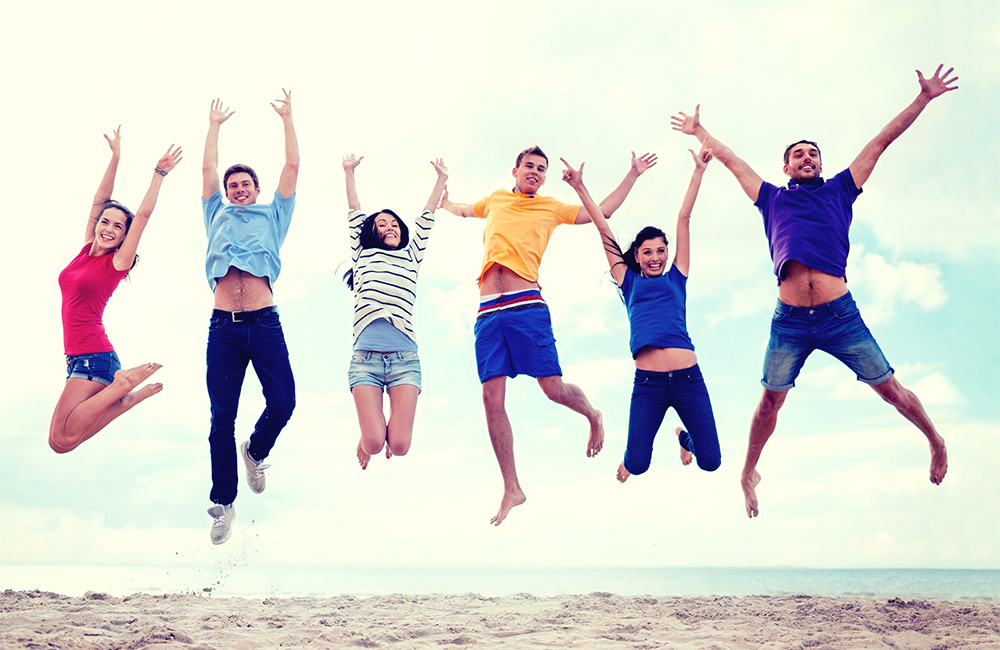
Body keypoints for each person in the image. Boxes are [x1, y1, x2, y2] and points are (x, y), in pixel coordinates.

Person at [671, 64, 957, 518]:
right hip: (790, 323)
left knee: (890, 390)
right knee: (770, 400)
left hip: (840, 317)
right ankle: (748, 474)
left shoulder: (841, 189)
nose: (807, 159)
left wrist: (922, 99)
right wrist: (700, 129)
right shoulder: (771, 198)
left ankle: (936, 442)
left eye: (813, 154)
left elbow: (881, 141)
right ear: (786, 166)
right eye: (798, 155)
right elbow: (731, 160)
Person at [440, 146, 656, 525]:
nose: (536, 173)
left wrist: (633, 175)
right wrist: (443, 203)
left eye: (542, 169)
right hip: (488, 311)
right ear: (515, 170)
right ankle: (512, 488)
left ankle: (592, 414)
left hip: (527, 305)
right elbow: (462, 210)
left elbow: (601, 212)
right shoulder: (494, 200)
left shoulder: (551, 207)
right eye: (530, 167)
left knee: (553, 389)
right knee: (491, 398)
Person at [562, 145, 722, 484]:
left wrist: (698, 172)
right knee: (637, 464)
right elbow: (603, 228)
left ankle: (683, 437)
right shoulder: (628, 281)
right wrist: (579, 186)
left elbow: (683, 218)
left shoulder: (677, 277)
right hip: (648, 385)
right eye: (647, 252)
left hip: (689, 379)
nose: (655, 257)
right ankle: (635, 458)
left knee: (711, 461)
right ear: (636, 255)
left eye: (661, 251)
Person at [201, 91, 299, 544]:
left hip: (264, 322)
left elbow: (292, 168)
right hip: (223, 328)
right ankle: (222, 505)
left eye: (245, 185)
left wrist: (287, 118)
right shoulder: (215, 211)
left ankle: (256, 450)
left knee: (284, 402)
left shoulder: (274, 213)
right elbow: (205, 171)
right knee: (221, 417)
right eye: (232, 185)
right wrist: (215, 127)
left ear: (256, 190)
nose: (238, 190)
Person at [50, 128, 181, 454]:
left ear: (124, 236)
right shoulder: (84, 252)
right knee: (62, 441)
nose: (108, 229)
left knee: (62, 441)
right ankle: (127, 398)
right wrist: (116, 157)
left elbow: (144, 216)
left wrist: (159, 173)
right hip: (81, 359)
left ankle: (123, 384)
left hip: (94, 358)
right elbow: (99, 200)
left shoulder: (116, 264)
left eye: (117, 227)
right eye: (104, 222)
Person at [342, 154, 448, 470]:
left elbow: (427, 218)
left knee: (399, 447)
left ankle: (373, 434)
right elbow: (354, 212)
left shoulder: (411, 256)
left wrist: (441, 181)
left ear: (401, 231)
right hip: (365, 360)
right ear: (372, 232)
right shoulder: (361, 254)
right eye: (381, 224)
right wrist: (349, 172)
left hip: (405, 361)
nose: (389, 227)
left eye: (393, 224)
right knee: (374, 444)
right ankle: (366, 437)